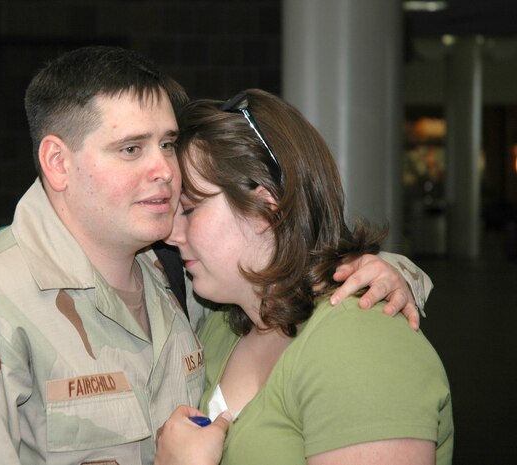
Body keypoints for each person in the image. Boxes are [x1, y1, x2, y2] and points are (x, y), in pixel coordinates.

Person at [0, 47, 429, 465]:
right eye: (132, 149)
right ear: (57, 163)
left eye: (168, 144)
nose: (164, 172)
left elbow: (286, 291)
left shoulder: (177, 282)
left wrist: (387, 274)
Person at [155, 89, 453, 465]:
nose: (171, 234)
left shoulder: (360, 344)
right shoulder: (220, 326)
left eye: (190, 209)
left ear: (265, 205)